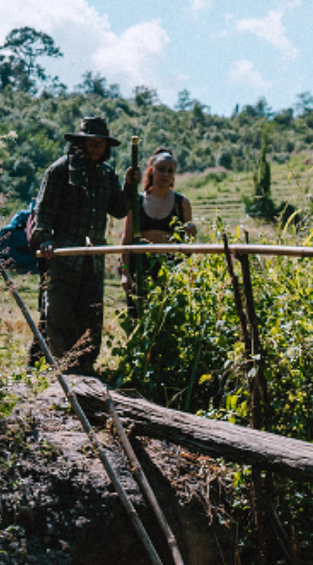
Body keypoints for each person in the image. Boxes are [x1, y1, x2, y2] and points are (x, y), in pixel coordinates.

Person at [31, 117, 138, 374]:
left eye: (100, 144)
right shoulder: (60, 170)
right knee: (59, 314)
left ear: (106, 147)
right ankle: (60, 368)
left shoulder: (106, 175)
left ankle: (85, 368)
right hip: (64, 256)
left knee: (90, 314)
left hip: (93, 259)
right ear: (81, 143)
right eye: (91, 143)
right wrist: (44, 240)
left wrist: (129, 186)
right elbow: (42, 211)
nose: (95, 148)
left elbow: (120, 209)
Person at [121, 146, 195, 315]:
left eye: (170, 171)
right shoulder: (137, 201)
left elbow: (189, 246)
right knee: (137, 321)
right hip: (139, 269)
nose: (165, 175)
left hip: (170, 272)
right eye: (161, 169)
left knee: (168, 322)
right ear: (151, 170)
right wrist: (125, 272)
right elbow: (126, 239)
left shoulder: (182, 203)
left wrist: (192, 234)